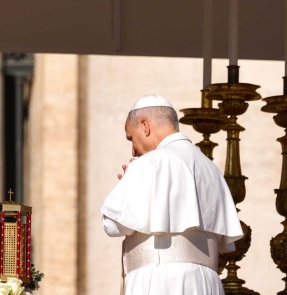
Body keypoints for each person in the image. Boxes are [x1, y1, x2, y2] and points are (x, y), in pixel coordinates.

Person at [100, 94, 243, 295]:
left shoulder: (148, 163)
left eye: (131, 138)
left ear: (145, 126)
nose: (133, 150)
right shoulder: (211, 168)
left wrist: (127, 185)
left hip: (160, 281)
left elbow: (112, 225)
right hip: (207, 284)